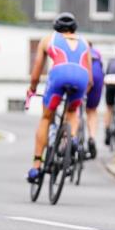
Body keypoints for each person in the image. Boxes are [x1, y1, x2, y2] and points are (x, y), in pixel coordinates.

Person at [26, 12, 92, 182]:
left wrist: (32, 88)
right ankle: (72, 139)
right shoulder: (84, 42)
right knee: (72, 112)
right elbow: (90, 79)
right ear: (74, 29)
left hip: (59, 75)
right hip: (81, 77)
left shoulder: (48, 39)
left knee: (46, 117)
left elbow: (36, 73)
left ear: (56, 27)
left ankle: (36, 166)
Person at [83, 44, 104, 159]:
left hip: (84, 71)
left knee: (72, 109)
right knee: (92, 111)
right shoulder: (97, 52)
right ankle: (91, 137)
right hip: (98, 73)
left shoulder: (78, 47)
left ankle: (71, 139)